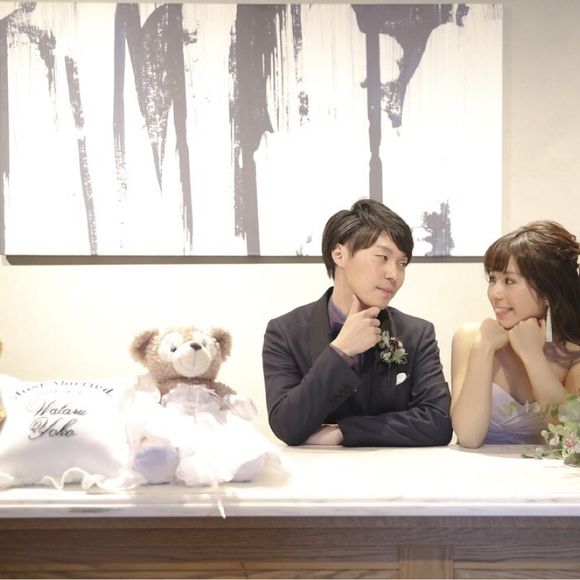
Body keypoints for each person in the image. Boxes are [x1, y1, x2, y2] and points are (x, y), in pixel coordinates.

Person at [262, 198, 452, 446]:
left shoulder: (417, 333)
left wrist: (345, 431)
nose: (394, 274)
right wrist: (340, 351)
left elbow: (438, 423)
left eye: (402, 264)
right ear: (339, 254)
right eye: (382, 257)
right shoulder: (285, 332)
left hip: (397, 468)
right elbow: (286, 425)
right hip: (317, 469)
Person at [451, 220, 580, 448]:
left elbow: (570, 435)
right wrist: (483, 347)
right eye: (493, 279)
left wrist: (533, 356)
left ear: (548, 291)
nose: (495, 293)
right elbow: (469, 436)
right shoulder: (470, 337)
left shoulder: (571, 353)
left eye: (509, 281)